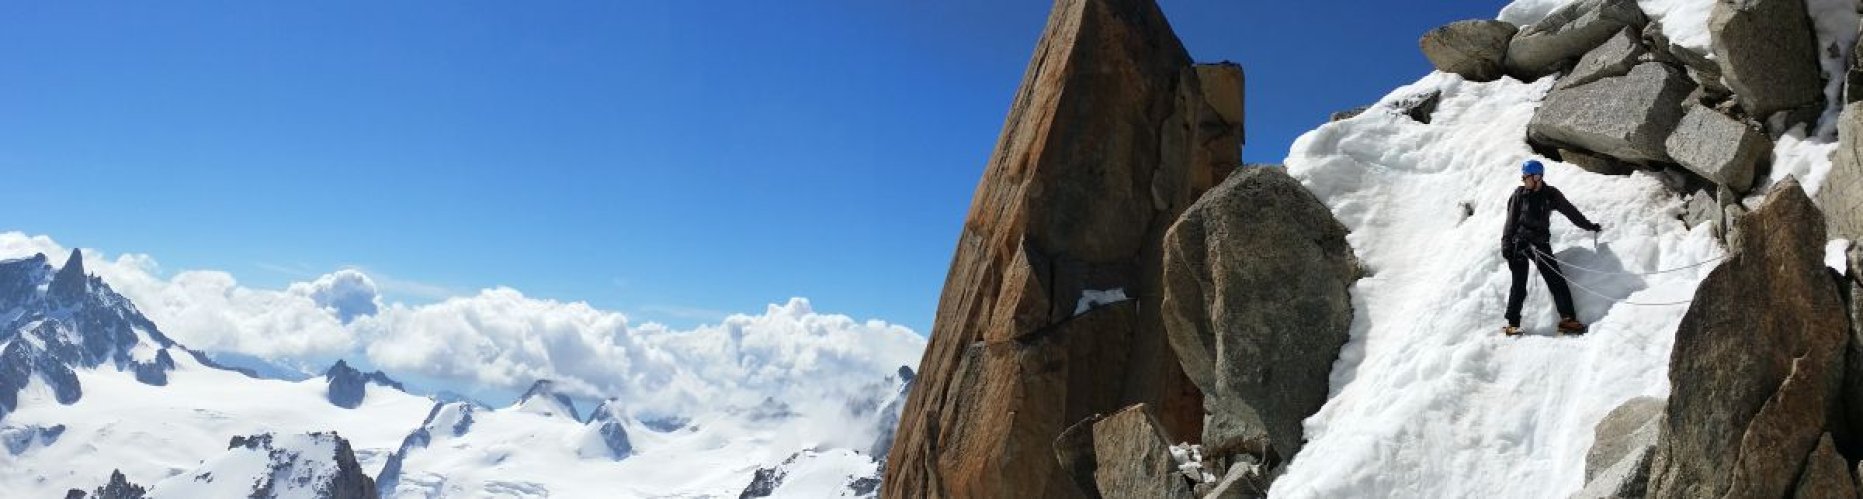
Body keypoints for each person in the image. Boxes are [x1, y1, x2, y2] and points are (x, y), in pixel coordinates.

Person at [1501, 159, 1601, 336]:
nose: (1523, 180)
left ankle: (1568, 320)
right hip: (1519, 244)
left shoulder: (1551, 195)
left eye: (1526, 177)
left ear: (1537, 177)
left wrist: (1589, 226)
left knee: (1556, 279)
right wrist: (1506, 244)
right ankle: (1512, 324)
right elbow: (1510, 221)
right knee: (1519, 284)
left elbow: (1571, 212)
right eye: (1523, 177)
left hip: (1540, 244)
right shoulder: (1519, 194)